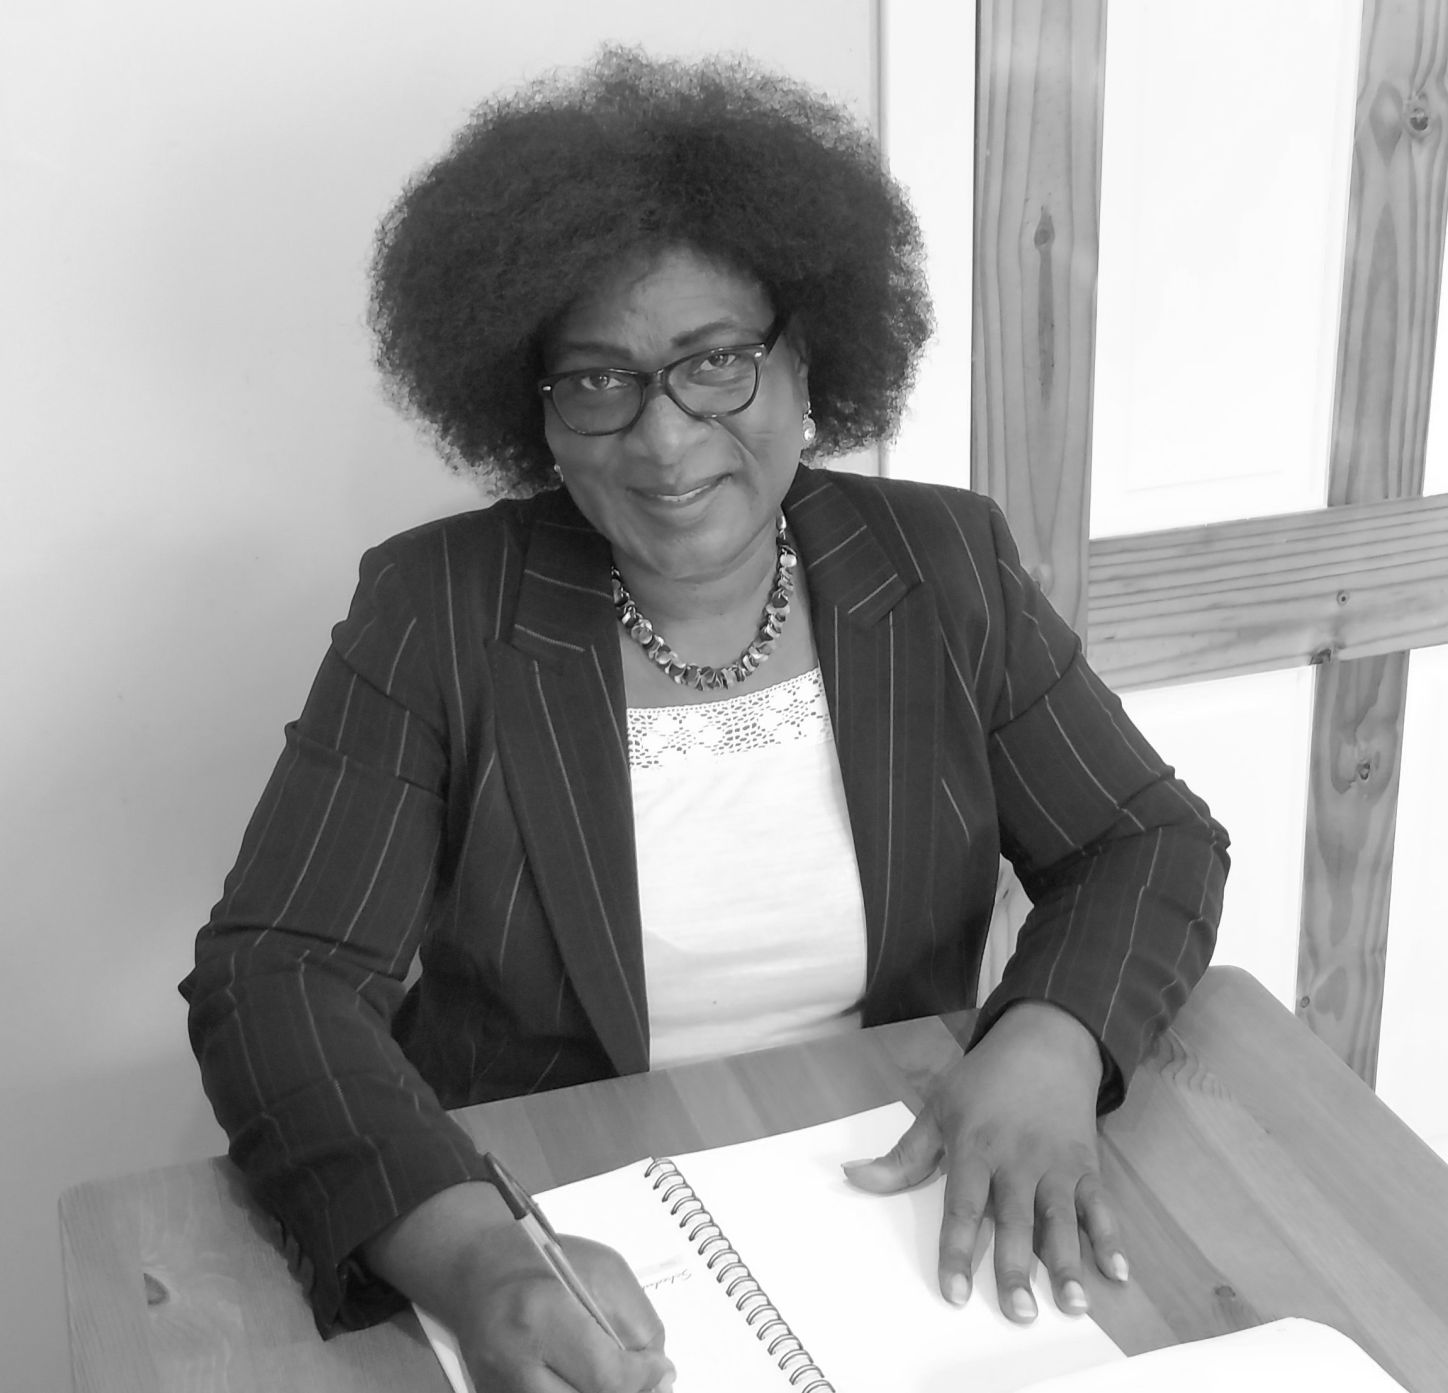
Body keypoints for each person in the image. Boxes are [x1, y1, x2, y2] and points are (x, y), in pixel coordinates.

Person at [182, 47, 1229, 1393]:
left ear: (809, 369)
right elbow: (276, 974)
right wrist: (476, 1255)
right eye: (597, 380)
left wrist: (1050, 1038)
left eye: (718, 362)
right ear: (535, 412)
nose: (665, 441)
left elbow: (1146, 839)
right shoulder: (436, 608)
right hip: (559, 1223)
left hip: (892, 1201)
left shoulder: (943, 566)